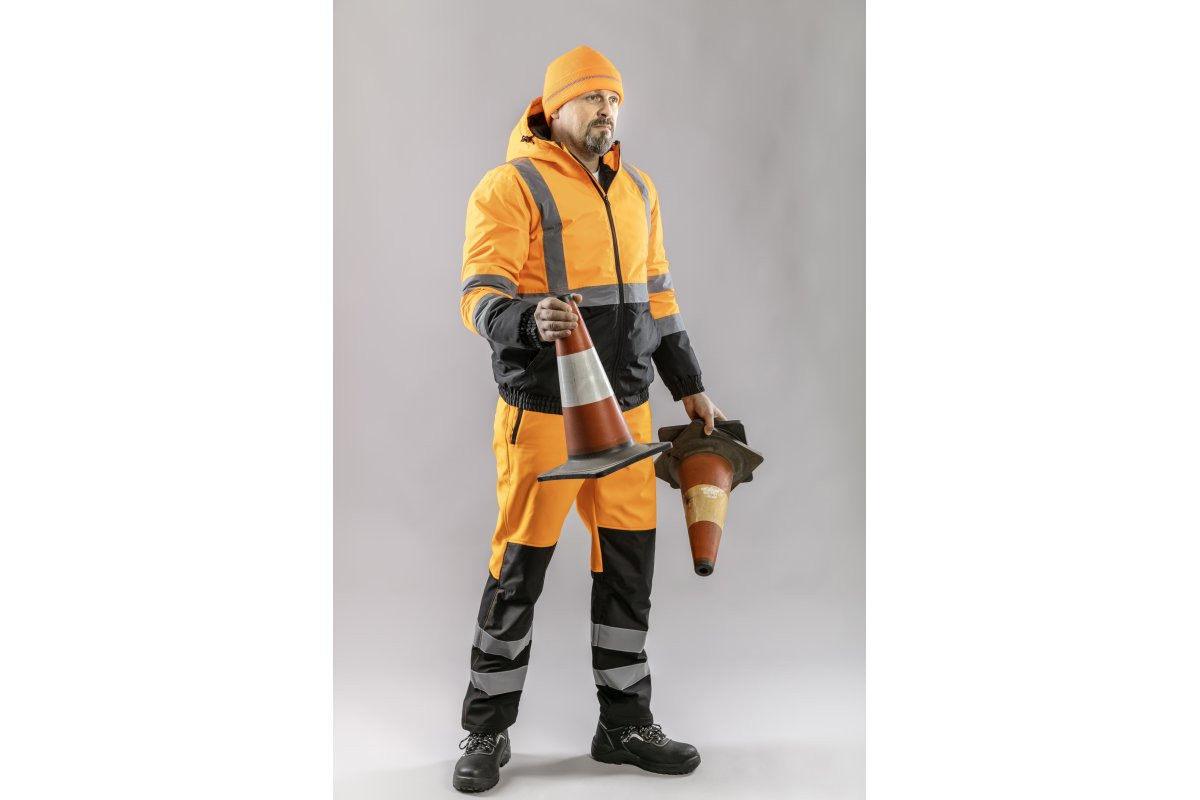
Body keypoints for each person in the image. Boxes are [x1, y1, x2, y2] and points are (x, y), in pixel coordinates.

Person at [454, 45, 724, 793]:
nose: (607, 109)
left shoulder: (638, 190)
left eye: (614, 98)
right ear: (555, 108)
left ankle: (624, 724)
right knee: (518, 573)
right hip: (545, 415)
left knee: (629, 571)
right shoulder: (512, 185)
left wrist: (690, 387)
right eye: (592, 97)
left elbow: (658, 298)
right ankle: (485, 730)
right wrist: (523, 318)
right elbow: (477, 292)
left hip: (628, 417)